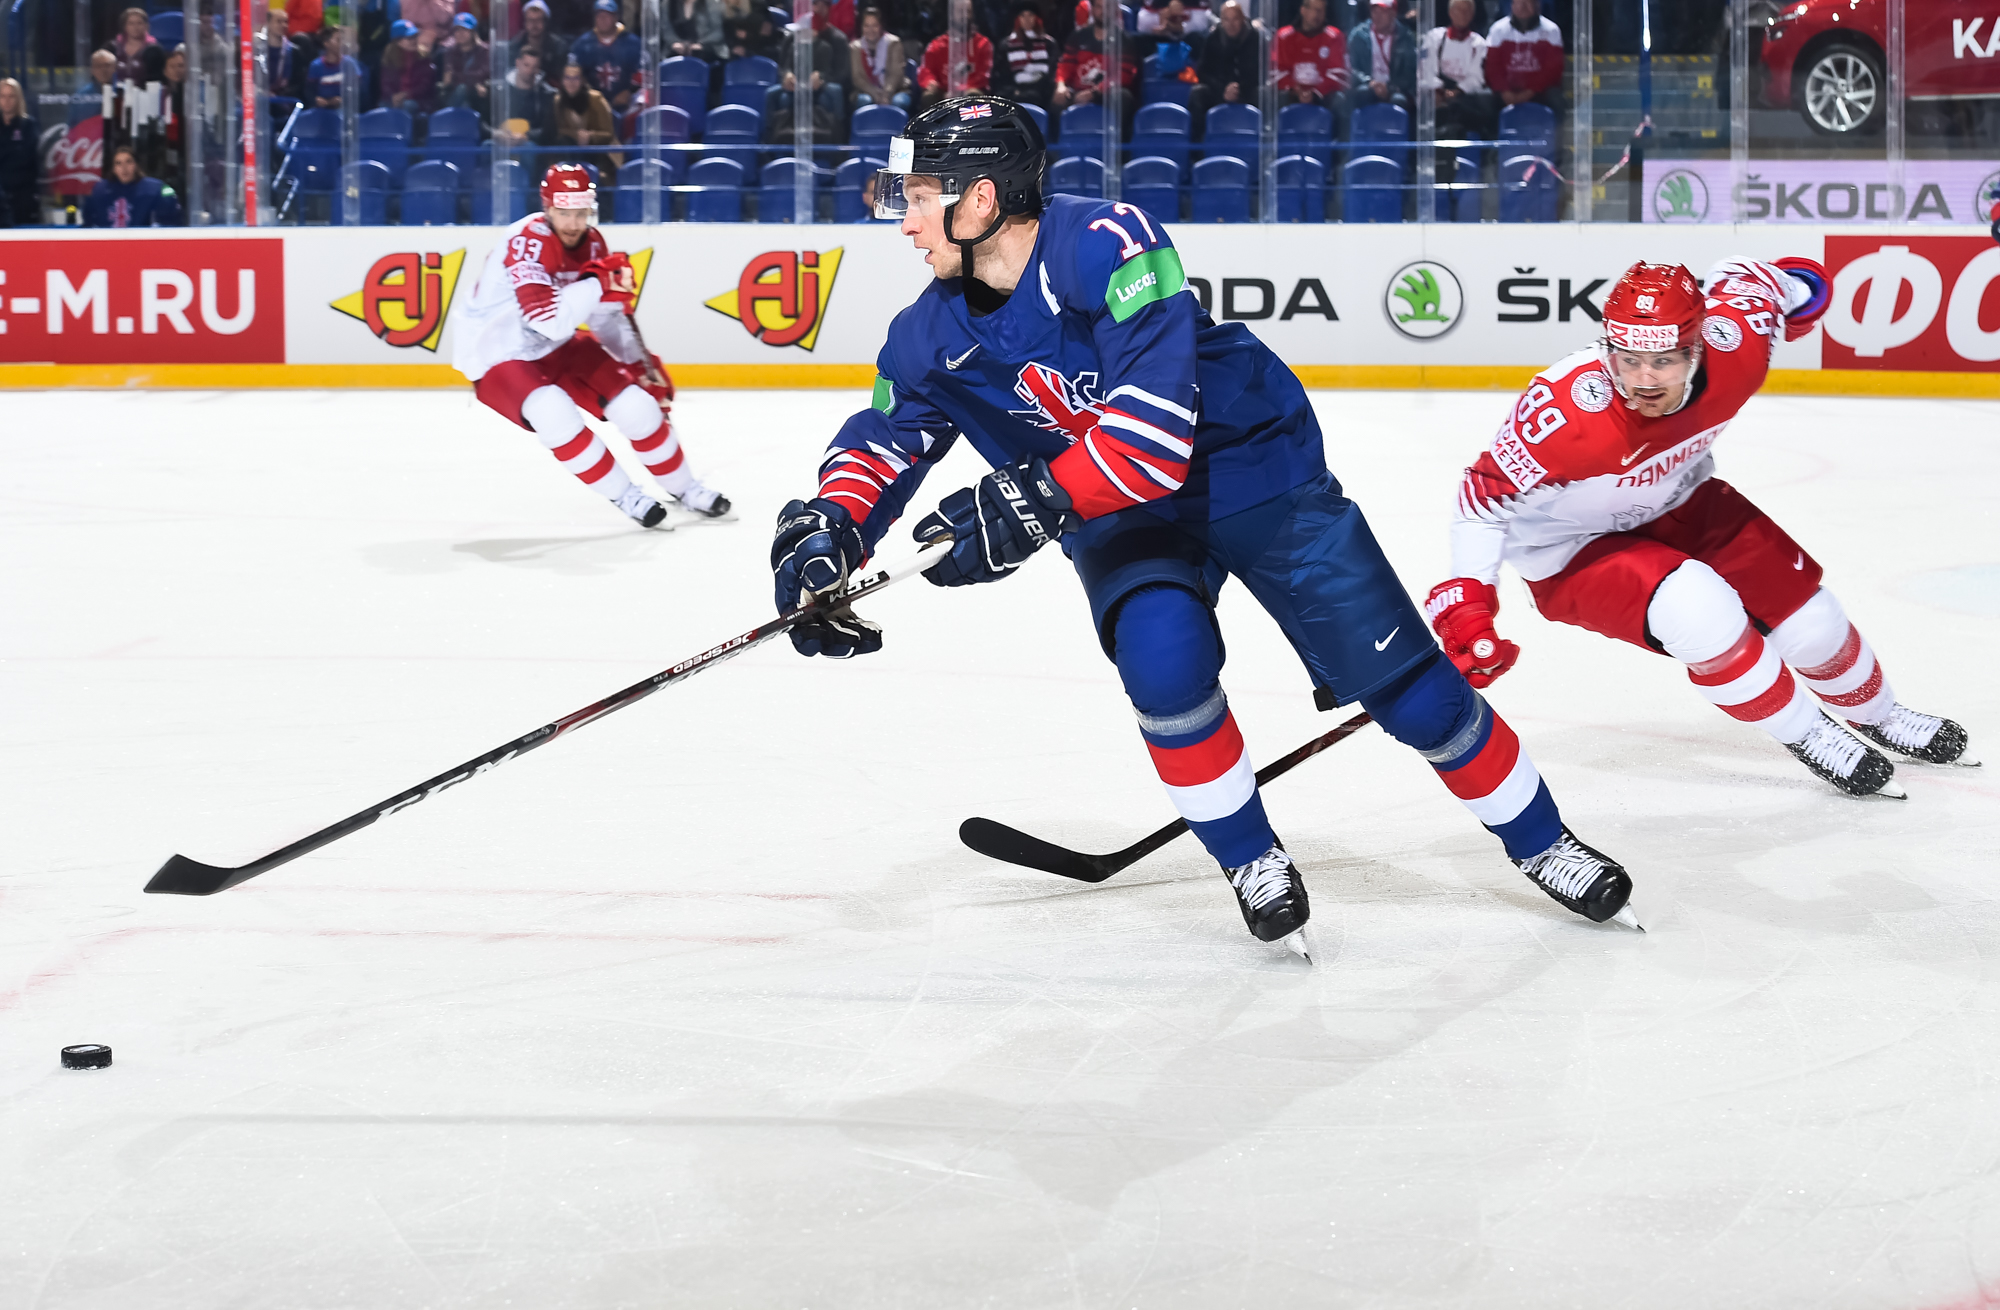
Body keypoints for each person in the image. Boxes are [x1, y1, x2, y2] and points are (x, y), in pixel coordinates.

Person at [768, 95, 1641, 956]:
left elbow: (1148, 437)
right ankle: (1251, 858)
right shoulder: (923, 332)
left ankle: (1542, 841)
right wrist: (830, 529)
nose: (904, 221)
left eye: (917, 197)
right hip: (1111, 509)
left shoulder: (1107, 243)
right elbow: (886, 439)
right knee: (1164, 667)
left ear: (982, 199)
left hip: (1250, 468)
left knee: (1410, 691)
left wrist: (1030, 503)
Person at [1427, 259, 1975, 803]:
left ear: (1697, 349)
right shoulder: (1566, 413)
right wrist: (1470, 603)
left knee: (1815, 624)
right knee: (1700, 611)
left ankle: (1883, 716)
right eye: (1629, 359)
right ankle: (1810, 733)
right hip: (1570, 548)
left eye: (1664, 360)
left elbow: (1764, 278)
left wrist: (1802, 289)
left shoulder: (1736, 341)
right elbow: (1482, 497)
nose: (1643, 380)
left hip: (1679, 499)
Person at [455, 166, 730, 525]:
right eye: (564, 212)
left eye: (581, 213)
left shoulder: (593, 241)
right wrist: (598, 283)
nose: (572, 223)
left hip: (558, 345)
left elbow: (605, 317)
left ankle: (686, 488)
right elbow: (548, 320)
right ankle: (627, 496)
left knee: (639, 407)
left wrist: (636, 366)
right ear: (547, 207)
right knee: (552, 414)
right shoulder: (526, 241)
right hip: (499, 353)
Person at [766, 0, 851, 138]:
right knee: (772, 94)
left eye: (816, 3)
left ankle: (838, 137)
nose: (813, 7)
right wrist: (787, 75)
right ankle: (770, 138)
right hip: (797, 83)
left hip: (822, 85)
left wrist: (822, 78)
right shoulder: (794, 40)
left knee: (836, 91)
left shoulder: (835, 41)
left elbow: (841, 73)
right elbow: (784, 64)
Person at [1421, 0, 1496, 141]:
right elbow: (1426, 67)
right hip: (1437, 94)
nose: (1463, 14)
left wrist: (1457, 91)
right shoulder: (1434, 37)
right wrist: (1438, 90)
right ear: (1450, 13)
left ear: (1472, 15)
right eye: (1458, 10)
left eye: (1467, 11)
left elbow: (1477, 76)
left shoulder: (1479, 43)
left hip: (1465, 97)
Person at [1049, 0, 1132, 121]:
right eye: (1099, 7)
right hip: (1077, 92)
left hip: (1104, 94)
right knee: (1057, 97)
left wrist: (1093, 93)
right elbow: (1065, 65)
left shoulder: (1124, 41)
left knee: (1123, 97)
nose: (1103, 12)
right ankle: (1054, 139)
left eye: (1107, 8)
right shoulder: (1077, 36)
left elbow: (1123, 76)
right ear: (1092, 9)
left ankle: (1120, 139)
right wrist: (1061, 85)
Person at [1185, 0, 1253, 139]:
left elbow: (1258, 72)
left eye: (1235, 19)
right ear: (1221, 20)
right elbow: (1203, 71)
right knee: (1198, 93)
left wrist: (1239, 89)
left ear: (1243, 19)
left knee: (1264, 93)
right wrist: (1223, 89)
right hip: (1219, 90)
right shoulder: (1212, 38)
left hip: (1247, 90)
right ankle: (1196, 150)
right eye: (1226, 19)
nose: (1231, 24)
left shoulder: (1255, 37)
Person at [1272, 0, 1348, 120]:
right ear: (1303, 10)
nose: (1318, 15)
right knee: (1272, 97)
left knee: (1340, 100)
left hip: (1323, 95)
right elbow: (1276, 72)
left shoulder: (1334, 36)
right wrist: (1295, 89)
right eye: (1315, 10)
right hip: (1291, 94)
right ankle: (1273, 138)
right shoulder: (1283, 36)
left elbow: (1339, 74)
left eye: (1321, 11)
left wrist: (1316, 92)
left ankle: (1344, 139)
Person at [916, 0, 993, 110]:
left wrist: (957, 91)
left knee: (973, 95)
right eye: (960, 11)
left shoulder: (983, 44)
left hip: (970, 91)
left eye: (968, 11)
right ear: (951, 14)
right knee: (929, 97)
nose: (964, 15)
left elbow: (982, 77)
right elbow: (926, 70)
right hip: (943, 91)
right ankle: (934, 127)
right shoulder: (937, 45)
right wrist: (930, 81)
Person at [1485, 0, 1562, 110]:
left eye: (1528, 2)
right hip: (1506, 91)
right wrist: (1505, 92)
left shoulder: (1552, 30)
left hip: (1538, 92)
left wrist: (1529, 92)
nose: (1523, 6)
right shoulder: (1497, 30)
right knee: (1487, 102)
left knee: (1556, 99)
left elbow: (1552, 70)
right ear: (1512, 5)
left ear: (1537, 5)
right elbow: (1492, 66)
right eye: (1519, 2)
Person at [570, 0, 644, 112]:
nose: (602, 19)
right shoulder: (582, 44)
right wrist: (589, 93)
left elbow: (642, 74)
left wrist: (630, 91)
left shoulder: (632, 43)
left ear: (616, 17)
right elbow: (572, 73)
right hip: (592, 107)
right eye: (599, 15)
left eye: (607, 15)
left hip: (627, 106)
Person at [83, 144, 182, 226]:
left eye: (128, 162)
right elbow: (89, 223)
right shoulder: (99, 190)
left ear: (136, 165)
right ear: (113, 168)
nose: (124, 168)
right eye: (118, 163)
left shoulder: (155, 189)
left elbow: (170, 223)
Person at [1344, 0, 1414, 115]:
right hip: (1368, 86)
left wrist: (1389, 88)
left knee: (1399, 101)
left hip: (1394, 89)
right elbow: (1350, 69)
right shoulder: (1359, 35)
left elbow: (1410, 72)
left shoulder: (1405, 37)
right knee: (1362, 93)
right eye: (1374, 11)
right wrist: (1370, 82)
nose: (1377, 16)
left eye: (1383, 12)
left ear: (1393, 13)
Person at [553, 60, 619, 171]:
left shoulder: (596, 99)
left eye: (576, 78)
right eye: (567, 78)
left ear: (582, 80)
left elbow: (609, 134)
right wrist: (576, 135)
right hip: (571, 151)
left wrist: (590, 136)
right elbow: (558, 130)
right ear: (562, 81)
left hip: (599, 152)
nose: (571, 82)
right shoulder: (558, 101)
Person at [994, 1, 1060, 111]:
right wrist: (1015, 91)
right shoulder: (1006, 45)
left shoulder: (1048, 44)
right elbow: (1001, 75)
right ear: (1017, 19)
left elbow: (1053, 71)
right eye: (1023, 16)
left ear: (1036, 18)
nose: (1027, 19)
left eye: (1030, 15)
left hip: (1041, 92)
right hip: (1015, 92)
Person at [492, 46, 558, 147]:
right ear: (517, 63)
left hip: (528, 142)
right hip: (501, 140)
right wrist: (497, 134)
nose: (530, 71)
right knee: (488, 145)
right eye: (526, 65)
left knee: (529, 147)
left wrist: (527, 136)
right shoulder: (498, 90)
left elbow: (547, 128)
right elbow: (486, 122)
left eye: (534, 67)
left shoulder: (546, 94)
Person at [849, 7, 910, 110]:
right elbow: (857, 78)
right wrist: (875, 94)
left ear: (880, 26)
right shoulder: (855, 48)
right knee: (864, 101)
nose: (870, 30)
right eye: (866, 26)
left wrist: (886, 94)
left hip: (895, 90)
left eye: (874, 26)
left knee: (898, 102)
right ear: (862, 28)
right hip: (866, 91)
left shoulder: (894, 43)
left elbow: (896, 74)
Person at [0, 78, 39, 227]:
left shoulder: (28, 125)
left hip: (23, 197)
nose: (7, 101)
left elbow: (26, 158)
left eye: (11, 96)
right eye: (3, 96)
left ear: (18, 98)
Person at [381, 19, 443, 114]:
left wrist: (405, 95)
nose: (414, 40)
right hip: (394, 99)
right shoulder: (389, 59)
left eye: (415, 36)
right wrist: (393, 96)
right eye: (409, 38)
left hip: (418, 101)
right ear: (398, 41)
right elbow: (386, 84)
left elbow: (424, 87)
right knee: (383, 107)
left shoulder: (424, 58)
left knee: (407, 105)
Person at [440, 12, 492, 111]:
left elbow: (484, 72)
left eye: (465, 30)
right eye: (457, 30)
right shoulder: (450, 52)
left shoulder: (484, 51)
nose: (460, 33)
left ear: (473, 32)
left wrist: (469, 80)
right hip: (455, 93)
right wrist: (475, 83)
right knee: (462, 90)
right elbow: (450, 77)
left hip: (478, 95)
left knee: (466, 91)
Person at [512, 0, 570, 78]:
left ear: (546, 22)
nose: (534, 24)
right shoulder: (515, 46)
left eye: (538, 20)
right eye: (530, 20)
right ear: (524, 22)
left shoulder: (559, 48)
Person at [307, 29, 363, 110]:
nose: (342, 44)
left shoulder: (350, 64)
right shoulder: (316, 65)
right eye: (338, 40)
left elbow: (357, 89)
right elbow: (309, 91)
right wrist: (316, 100)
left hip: (344, 109)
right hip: (321, 110)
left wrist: (343, 99)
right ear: (326, 43)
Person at [106, 8, 158, 85]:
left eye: (139, 23)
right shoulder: (113, 46)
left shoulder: (154, 49)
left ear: (146, 26)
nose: (135, 27)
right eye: (131, 23)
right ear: (124, 26)